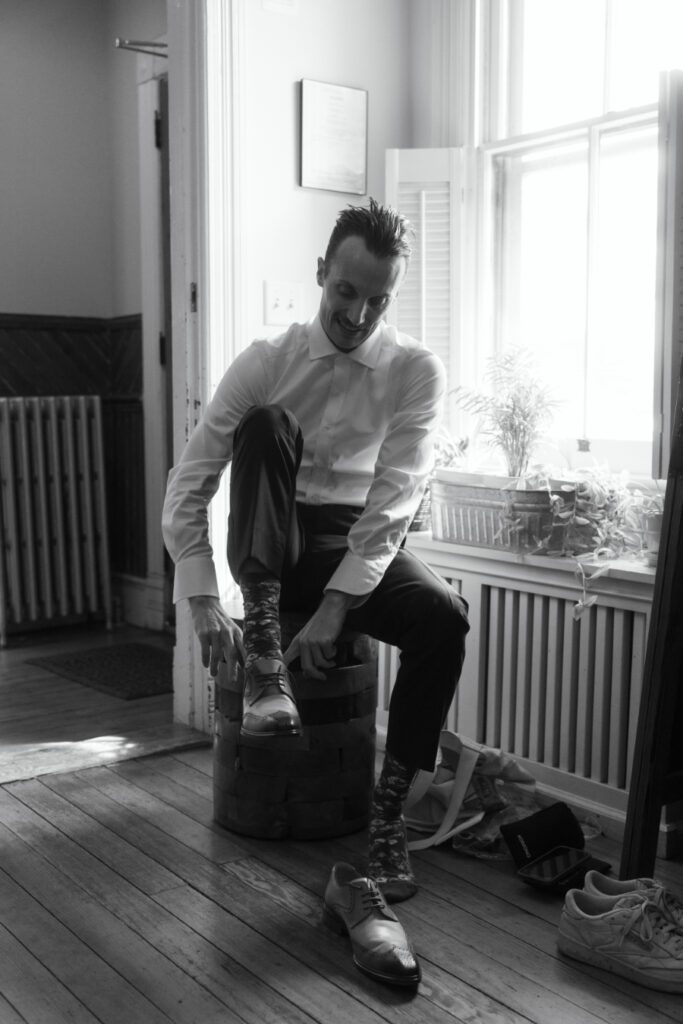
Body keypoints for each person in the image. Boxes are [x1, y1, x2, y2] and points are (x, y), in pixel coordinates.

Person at [162, 198, 469, 903]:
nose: (358, 315)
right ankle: (267, 662)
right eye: (345, 292)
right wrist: (202, 595)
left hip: (355, 541)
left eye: (377, 300)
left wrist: (338, 607)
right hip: (272, 533)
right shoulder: (265, 362)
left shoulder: (416, 370)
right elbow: (190, 484)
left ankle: (387, 820)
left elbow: (394, 502)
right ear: (321, 272)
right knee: (268, 425)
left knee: (445, 618)